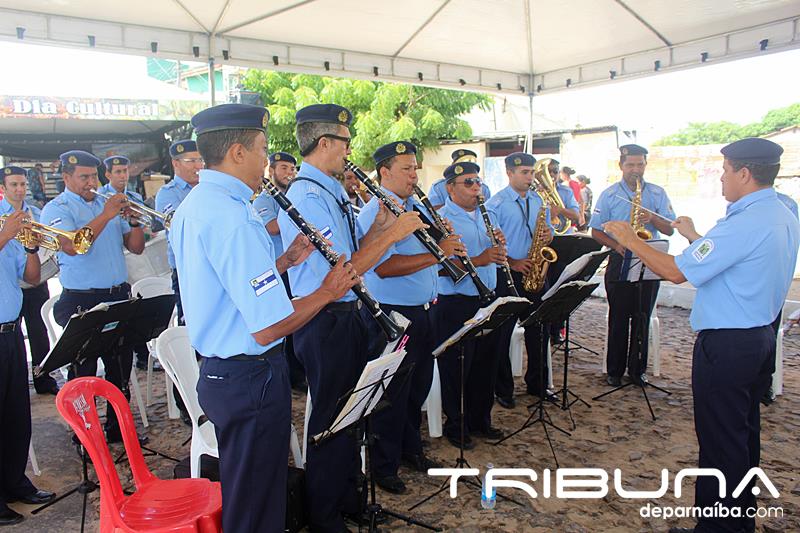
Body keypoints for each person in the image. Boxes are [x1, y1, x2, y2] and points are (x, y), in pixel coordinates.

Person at [170, 103, 358, 533]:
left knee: (248, 497)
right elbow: (268, 325)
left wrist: (283, 263)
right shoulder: (234, 216)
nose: (266, 161)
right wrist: (327, 292)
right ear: (237, 152)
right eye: (262, 149)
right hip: (251, 376)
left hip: (225, 374)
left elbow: (226, 287)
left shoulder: (198, 204)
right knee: (257, 507)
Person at [602, 138, 799, 533]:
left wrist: (630, 239)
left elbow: (676, 272)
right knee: (742, 438)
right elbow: (731, 261)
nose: (721, 178)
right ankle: (735, 521)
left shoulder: (744, 222)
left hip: (728, 345)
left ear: (745, 173)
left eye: (725, 171)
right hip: (758, 337)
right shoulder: (782, 210)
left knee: (721, 443)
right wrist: (695, 237)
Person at [277, 103, 422, 532]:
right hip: (325, 318)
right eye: (345, 142)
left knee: (351, 416)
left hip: (347, 314)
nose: (349, 150)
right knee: (330, 420)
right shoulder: (306, 195)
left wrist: (380, 228)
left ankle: (347, 497)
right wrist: (395, 235)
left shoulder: (330, 189)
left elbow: (354, 248)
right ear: (325, 143)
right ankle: (324, 516)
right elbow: (341, 271)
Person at [357, 141, 460, 494]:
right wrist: (438, 255)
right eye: (406, 169)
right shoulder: (376, 212)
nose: (414, 175)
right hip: (394, 315)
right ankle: (384, 466)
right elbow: (382, 268)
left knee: (417, 388)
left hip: (425, 311)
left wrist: (443, 240)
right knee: (392, 393)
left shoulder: (416, 207)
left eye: (415, 168)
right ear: (384, 172)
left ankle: (409, 449)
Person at [41, 150, 146, 443]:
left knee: (120, 367)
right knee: (83, 371)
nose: (91, 183)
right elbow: (74, 246)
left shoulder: (104, 203)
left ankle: (118, 429)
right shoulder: (56, 208)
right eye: (83, 177)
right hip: (81, 300)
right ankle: (86, 436)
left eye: (94, 177)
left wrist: (134, 222)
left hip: (117, 295)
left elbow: (136, 247)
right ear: (66, 178)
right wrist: (107, 214)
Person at [434, 161, 508, 449]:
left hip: (488, 296)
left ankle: (480, 421)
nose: (476, 187)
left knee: (486, 363)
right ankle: (456, 425)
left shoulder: (487, 214)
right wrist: (481, 259)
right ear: (450, 188)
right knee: (457, 366)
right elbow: (438, 266)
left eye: (478, 181)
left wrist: (499, 248)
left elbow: (496, 253)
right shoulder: (441, 220)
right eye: (468, 182)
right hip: (456, 301)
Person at [589, 144, 676, 387]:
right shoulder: (609, 194)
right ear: (621, 166)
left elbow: (670, 229)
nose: (635, 169)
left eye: (640, 164)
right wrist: (616, 245)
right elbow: (596, 231)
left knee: (642, 316)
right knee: (618, 318)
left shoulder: (657, 193)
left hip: (649, 258)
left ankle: (638, 370)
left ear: (645, 165)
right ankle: (614, 371)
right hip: (620, 259)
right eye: (630, 165)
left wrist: (653, 218)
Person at [486, 152, 556, 407]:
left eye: (532, 172)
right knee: (502, 334)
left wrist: (548, 236)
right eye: (525, 173)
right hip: (507, 273)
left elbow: (548, 233)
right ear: (509, 173)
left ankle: (538, 384)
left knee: (539, 330)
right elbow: (490, 242)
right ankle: (503, 389)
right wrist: (513, 262)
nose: (530, 178)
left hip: (535, 270)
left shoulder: (538, 200)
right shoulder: (496, 204)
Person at [0, 210, 55, 526]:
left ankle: (15, 483)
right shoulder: (4, 232)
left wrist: (32, 247)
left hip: (11, 333)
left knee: (16, 415)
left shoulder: (5, 231)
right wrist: (6, 234)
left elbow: (32, 278)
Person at [0, 167, 58, 395]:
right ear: (3, 189)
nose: (20, 189)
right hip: (10, 286)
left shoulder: (34, 212)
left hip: (33, 280)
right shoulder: (2, 215)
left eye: (23, 184)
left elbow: (46, 245)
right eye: (14, 185)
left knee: (38, 331)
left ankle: (42, 377)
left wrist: (35, 244)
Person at [252, 151, 306, 390]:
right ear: (271, 171)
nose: (289, 173)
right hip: (277, 270)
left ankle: (298, 369)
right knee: (283, 322)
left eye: (292, 169)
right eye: (283, 168)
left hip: (295, 267)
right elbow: (273, 227)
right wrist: (296, 211)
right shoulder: (264, 200)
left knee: (296, 320)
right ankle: (292, 375)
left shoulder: (292, 196)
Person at [155, 140, 203, 325]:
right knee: (190, 324)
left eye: (200, 160)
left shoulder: (207, 188)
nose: (198, 166)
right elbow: (181, 226)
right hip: (186, 269)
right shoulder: (167, 193)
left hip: (210, 265)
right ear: (175, 163)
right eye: (191, 161)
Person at [427, 149, 491, 209]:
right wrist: (459, 204)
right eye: (468, 182)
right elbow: (432, 210)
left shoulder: (483, 188)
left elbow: (489, 209)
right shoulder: (438, 187)